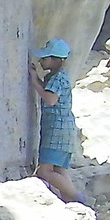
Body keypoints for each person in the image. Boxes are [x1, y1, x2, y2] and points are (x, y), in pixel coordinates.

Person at [28, 38, 84, 204]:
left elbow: (50, 99)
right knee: (60, 170)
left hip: (56, 129)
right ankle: (72, 204)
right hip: (64, 128)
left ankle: (78, 198)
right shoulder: (58, 76)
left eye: (45, 58)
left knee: (44, 171)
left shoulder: (57, 78)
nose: (41, 61)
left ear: (56, 60)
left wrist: (34, 81)